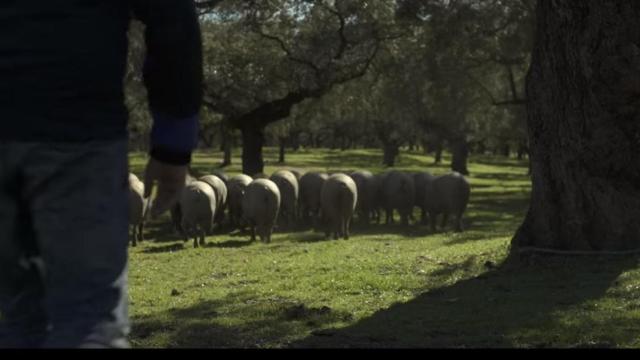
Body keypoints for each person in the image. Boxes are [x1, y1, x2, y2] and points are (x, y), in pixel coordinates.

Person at [0, 0, 203, 348]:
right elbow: (172, 16)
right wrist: (173, 142)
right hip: (78, 135)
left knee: (18, 311)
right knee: (88, 320)